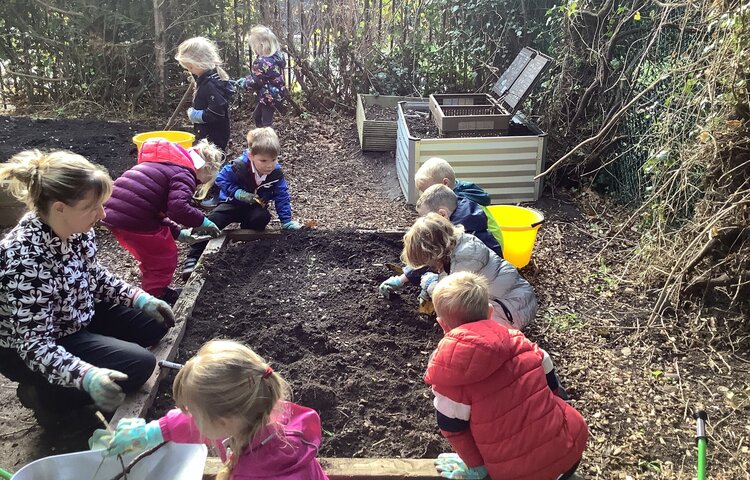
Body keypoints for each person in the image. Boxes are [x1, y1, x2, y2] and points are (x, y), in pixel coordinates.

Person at [0, 150, 175, 427]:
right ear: (59, 208)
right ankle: (46, 396)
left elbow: (93, 275)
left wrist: (138, 298)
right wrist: (86, 375)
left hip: (75, 312)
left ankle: (93, 351)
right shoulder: (24, 259)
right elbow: (34, 344)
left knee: (155, 324)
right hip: (43, 341)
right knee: (139, 367)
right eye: (92, 207)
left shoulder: (77, 229)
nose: (102, 214)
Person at [425, 272, 588, 480]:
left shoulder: (449, 378)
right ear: (490, 312)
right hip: (571, 450)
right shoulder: (524, 344)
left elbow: (453, 429)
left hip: (519, 474)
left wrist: (477, 467)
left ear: (443, 325)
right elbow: (554, 387)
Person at [89, 340, 328, 480]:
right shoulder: (258, 410)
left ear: (223, 422)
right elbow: (202, 422)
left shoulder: (256, 472)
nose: (191, 418)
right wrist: (154, 432)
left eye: (194, 412)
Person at [103, 138, 223, 304]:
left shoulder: (165, 165)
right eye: (201, 181)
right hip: (134, 215)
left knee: (151, 254)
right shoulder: (185, 174)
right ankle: (155, 295)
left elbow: (156, 210)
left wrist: (178, 232)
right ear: (203, 169)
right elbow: (178, 208)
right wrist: (202, 222)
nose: (197, 185)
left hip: (115, 211)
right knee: (164, 255)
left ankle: (154, 286)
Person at [181, 127, 302, 280]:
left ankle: (246, 248)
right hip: (232, 203)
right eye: (263, 160)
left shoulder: (276, 173)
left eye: (273, 160)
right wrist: (236, 192)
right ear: (251, 156)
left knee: (262, 217)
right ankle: (193, 256)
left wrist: (286, 221)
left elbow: (282, 196)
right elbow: (220, 179)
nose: (269, 165)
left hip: (254, 207)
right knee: (213, 220)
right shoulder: (238, 166)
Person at [380, 213, 537, 330]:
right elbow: (429, 268)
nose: (431, 266)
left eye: (430, 262)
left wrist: (430, 285)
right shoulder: (458, 245)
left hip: (511, 309)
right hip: (514, 298)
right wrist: (400, 280)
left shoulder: (465, 261)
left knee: (470, 329)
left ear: (436, 253)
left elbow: (449, 297)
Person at [414, 157, 503, 249]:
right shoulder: (457, 191)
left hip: (491, 246)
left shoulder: (461, 209)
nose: (425, 195)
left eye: (428, 190)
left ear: (445, 183)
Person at [175, 36, 236, 153]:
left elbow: (218, 111)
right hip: (208, 133)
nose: (190, 70)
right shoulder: (206, 78)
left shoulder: (210, 84)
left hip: (214, 134)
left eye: (191, 67)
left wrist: (198, 115)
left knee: (211, 163)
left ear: (201, 62)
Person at [235, 25, 287, 128]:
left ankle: (267, 142)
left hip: (268, 97)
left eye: (254, 46)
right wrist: (247, 79)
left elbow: (256, 82)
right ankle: (260, 137)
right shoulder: (275, 58)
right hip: (275, 94)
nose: (253, 49)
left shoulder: (262, 62)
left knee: (266, 123)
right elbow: (261, 77)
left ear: (261, 45)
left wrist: (244, 83)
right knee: (257, 117)